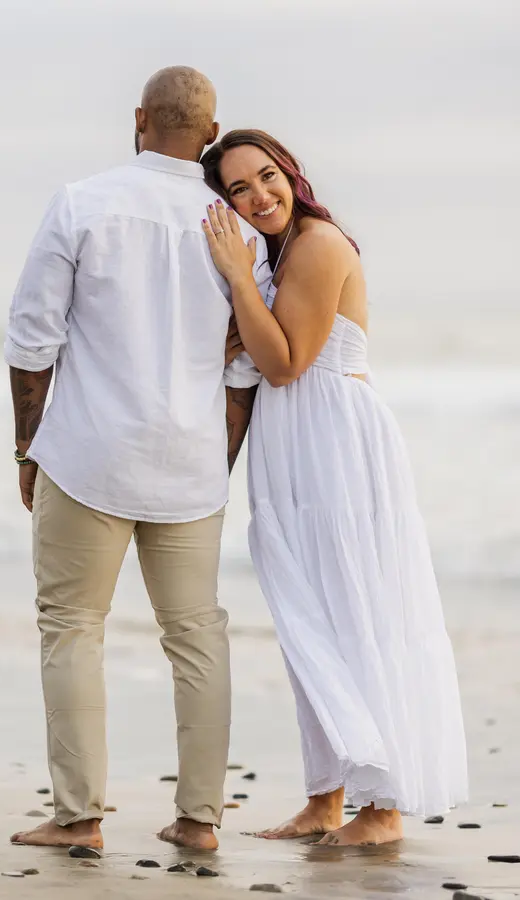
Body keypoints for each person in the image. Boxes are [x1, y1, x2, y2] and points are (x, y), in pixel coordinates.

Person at [3, 71, 268, 853]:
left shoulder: (82, 203)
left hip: (88, 454)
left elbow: (31, 340)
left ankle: (79, 818)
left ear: (140, 118)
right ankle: (200, 821)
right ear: (211, 131)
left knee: (71, 627)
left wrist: (26, 446)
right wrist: (214, 462)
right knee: (197, 634)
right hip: (190, 466)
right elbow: (243, 369)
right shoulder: (240, 231)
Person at [201, 130, 468, 847]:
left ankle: (383, 809)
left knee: (359, 610)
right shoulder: (277, 253)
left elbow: (285, 363)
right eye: (239, 189)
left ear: (290, 172)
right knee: (307, 617)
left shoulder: (316, 245)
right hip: (291, 443)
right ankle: (325, 799)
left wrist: (237, 279)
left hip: (337, 443)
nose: (260, 196)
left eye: (267, 176)